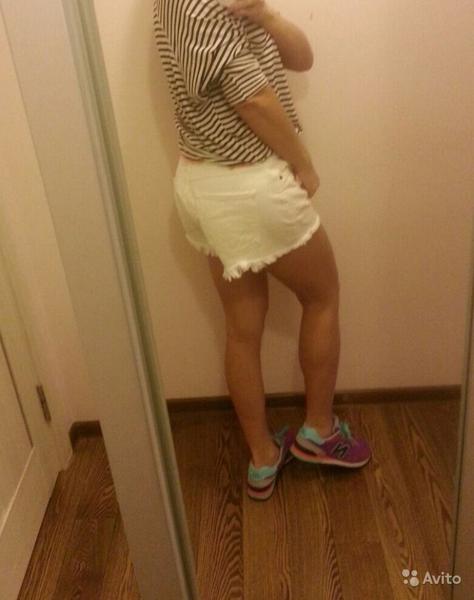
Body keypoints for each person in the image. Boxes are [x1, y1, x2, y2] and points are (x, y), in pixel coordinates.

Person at [153, 0, 371, 501]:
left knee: (241, 328)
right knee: (323, 295)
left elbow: (301, 59)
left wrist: (266, 15)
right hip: (248, 186)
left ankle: (263, 458)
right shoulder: (199, 5)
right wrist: (304, 163)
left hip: (204, 185)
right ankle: (319, 432)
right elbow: (252, 99)